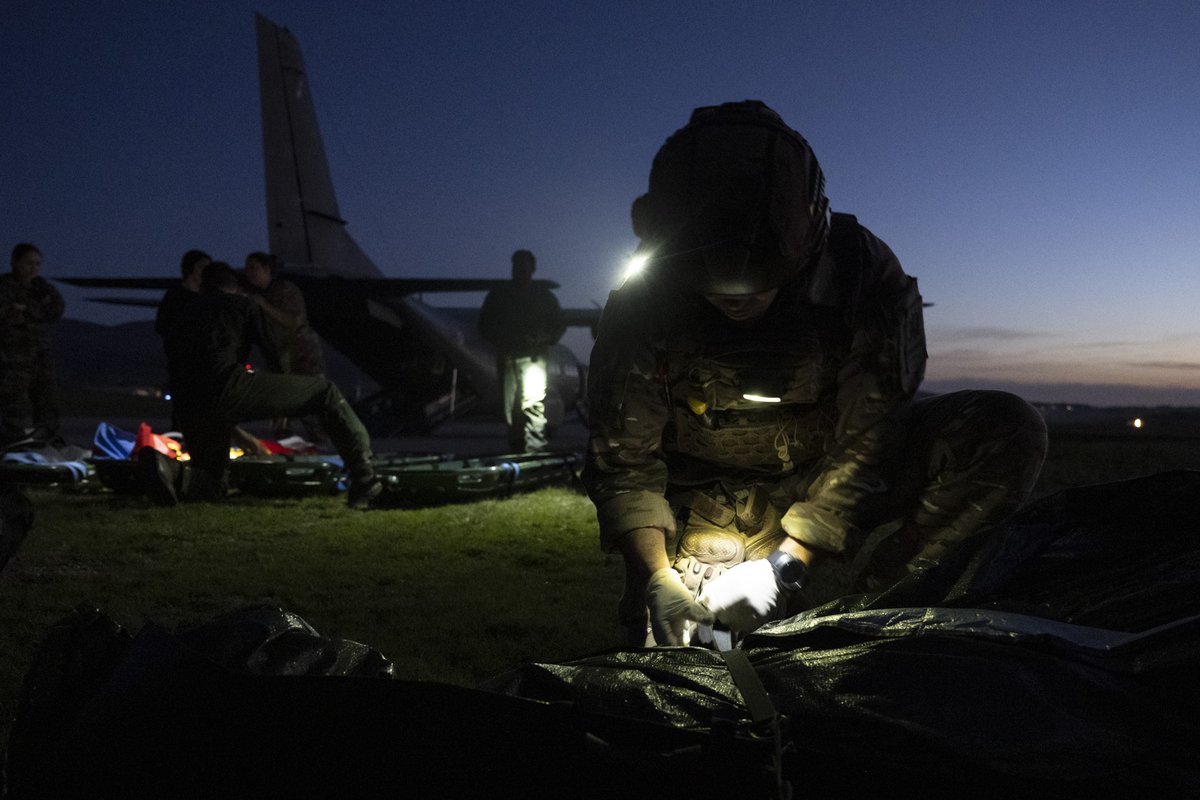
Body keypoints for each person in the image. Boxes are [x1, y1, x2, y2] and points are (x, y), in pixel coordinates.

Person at [581, 101, 1048, 647]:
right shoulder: (645, 296)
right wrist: (653, 576)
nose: (736, 304)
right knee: (690, 653)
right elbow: (625, 461)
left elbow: (868, 443)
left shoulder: (862, 276)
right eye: (714, 290)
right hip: (701, 495)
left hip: (819, 477)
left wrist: (787, 566)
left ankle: (879, 623)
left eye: (759, 286)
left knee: (1001, 428)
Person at [145, 262, 380, 508]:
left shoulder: (183, 314)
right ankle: (364, 475)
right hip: (227, 387)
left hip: (187, 403)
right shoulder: (243, 305)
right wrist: (284, 403)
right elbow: (274, 350)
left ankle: (170, 471)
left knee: (212, 482)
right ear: (235, 287)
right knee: (325, 392)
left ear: (203, 287)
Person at [478, 249, 566, 453]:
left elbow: (559, 325)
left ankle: (535, 452)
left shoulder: (544, 297)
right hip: (508, 359)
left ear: (532, 269)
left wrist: (544, 338)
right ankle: (518, 450)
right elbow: (484, 325)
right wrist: (501, 341)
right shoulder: (498, 296)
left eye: (523, 267)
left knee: (533, 406)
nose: (518, 271)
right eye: (516, 267)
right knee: (510, 410)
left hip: (534, 360)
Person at [241, 251, 326, 441]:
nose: (249, 273)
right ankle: (285, 443)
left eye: (253, 268)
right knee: (279, 408)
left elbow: (294, 321)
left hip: (301, 357)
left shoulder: (284, 290)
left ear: (267, 269)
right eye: (247, 268)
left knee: (310, 405)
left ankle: (322, 444)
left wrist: (263, 305)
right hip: (277, 358)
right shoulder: (255, 295)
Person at [0, 243, 65, 447]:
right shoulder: (5, 286)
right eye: (29, 263)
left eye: (37, 263)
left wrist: (25, 310)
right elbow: (5, 313)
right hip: (14, 355)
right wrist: (34, 310)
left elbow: (56, 308)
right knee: (14, 402)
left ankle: (46, 438)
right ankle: (12, 441)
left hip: (40, 353)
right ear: (15, 262)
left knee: (47, 399)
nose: (33, 268)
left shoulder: (41, 286)